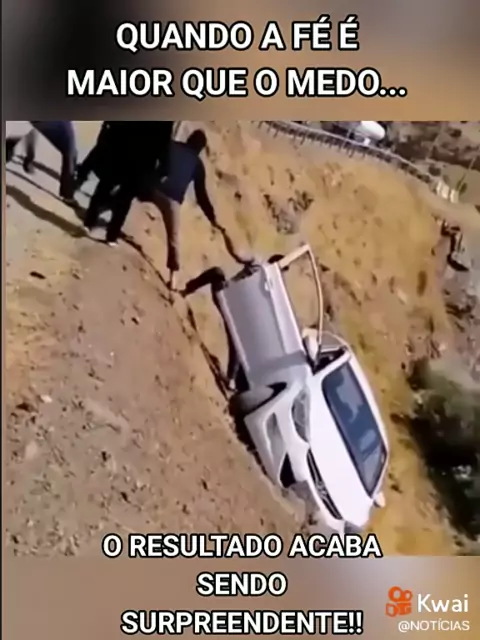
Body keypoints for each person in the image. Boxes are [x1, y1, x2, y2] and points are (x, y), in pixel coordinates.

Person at [149, 129, 220, 291]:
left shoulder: (172, 145)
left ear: (189, 139)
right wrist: (212, 217)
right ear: (201, 148)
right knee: (173, 239)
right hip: (172, 200)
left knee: (128, 193)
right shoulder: (198, 164)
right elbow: (201, 195)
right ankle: (173, 277)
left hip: (154, 187)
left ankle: (101, 208)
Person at [82, 121, 174, 246]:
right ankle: (111, 236)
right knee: (125, 197)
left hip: (123, 147)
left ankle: (89, 222)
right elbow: (164, 143)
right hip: (143, 159)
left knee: (106, 185)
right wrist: (164, 168)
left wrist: (108, 135)